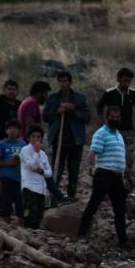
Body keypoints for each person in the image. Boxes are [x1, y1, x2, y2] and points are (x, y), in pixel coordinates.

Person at [77, 106, 130, 249]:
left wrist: (127, 173)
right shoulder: (101, 133)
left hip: (117, 176)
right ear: (107, 117)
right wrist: (91, 167)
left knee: (120, 209)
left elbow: (122, 156)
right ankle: (81, 234)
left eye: (117, 117)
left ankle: (123, 240)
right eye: (112, 117)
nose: (115, 119)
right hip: (104, 174)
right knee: (94, 204)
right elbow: (92, 152)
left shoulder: (119, 135)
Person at [19, 81, 71, 206]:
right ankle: (59, 196)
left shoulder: (25, 101)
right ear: (40, 92)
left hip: (27, 144)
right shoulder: (32, 104)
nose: (47, 97)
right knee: (42, 173)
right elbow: (30, 124)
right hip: (30, 147)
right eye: (46, 94)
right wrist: (36, 141)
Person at [43, 71, 90, 199]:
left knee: (73, 171)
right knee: (56, 170)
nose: (63, 84)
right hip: (58, 141)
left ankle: (71, 197)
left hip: (75, 141)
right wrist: (57, 111)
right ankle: (53, 196)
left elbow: (86, 117)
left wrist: (73, 109)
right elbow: (46, 117)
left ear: (70, 82)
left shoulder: (79, 98)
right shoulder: (53, 99)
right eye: (61, 81)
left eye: (66, 81)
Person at [96, 67, 135, 186]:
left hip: (128, 131)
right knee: (113, 158)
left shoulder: (133, 94)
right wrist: (102, 122)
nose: (126, 84)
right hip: (112, 132)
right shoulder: (110, 93)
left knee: (129, 159)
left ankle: (128, 187)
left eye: (128, 81)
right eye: (124, 80)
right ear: (118, 79)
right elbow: (99, 107)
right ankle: (112, 186)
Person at [19, 125, 52, 229]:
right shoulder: (25, 150)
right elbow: (32, 166)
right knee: (29, 215)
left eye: (38, 137)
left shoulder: (43, 154)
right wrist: (36, 152)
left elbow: (49, 172)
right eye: (33, 136)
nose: (36, 139)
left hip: (41, 189)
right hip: (29, 187)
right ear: (28, 138)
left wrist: (41, 171)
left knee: (38, 215)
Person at [0, 120, 26, 220]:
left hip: (19, 178)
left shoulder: (23, 144)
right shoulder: (2, 144)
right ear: (6, 131)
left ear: (19, 131)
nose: (12, 131)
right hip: (5, 177)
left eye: (15, 129)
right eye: (10, 128)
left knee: (20, 202)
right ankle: (6, 226)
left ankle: (23, 225)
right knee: (6, 202)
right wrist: (10, 164)